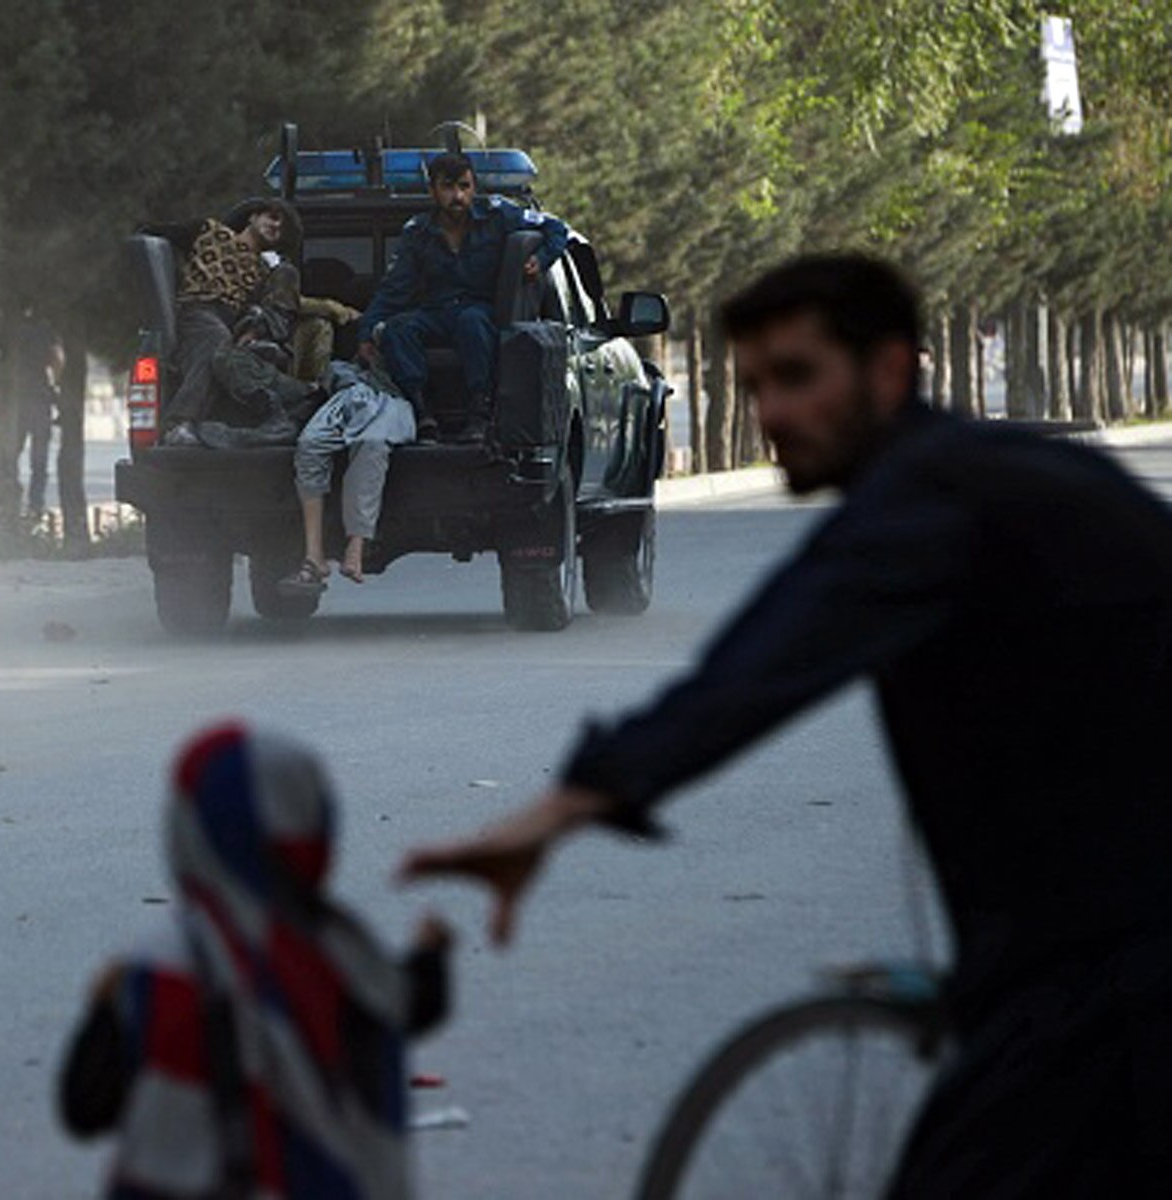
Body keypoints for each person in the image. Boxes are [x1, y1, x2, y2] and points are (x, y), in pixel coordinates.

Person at [400, 253, 1172, 1195]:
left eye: (799, 378)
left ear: (890, 371)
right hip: (1076, 934)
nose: (771, 413)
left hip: (1113, 951)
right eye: (756, 384)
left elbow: (757, 671)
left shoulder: (937, 503)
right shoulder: (976, 476)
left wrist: (565, 807)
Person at [60, 721, 452, 1200]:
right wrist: (432, 952)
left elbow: (85, 1106)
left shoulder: (167, 967)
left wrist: (103, 1010)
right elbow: (413, 1004)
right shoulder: (341, 950)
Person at [358, 151, 568, 444]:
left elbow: (556, 229)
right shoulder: (418, 232)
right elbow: (394, 289)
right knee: (398, 329)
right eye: (448, 187)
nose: (457, 195)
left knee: (473, 323)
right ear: (432, 191)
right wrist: (367, 332)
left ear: (474, 188)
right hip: (435, 311)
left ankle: (480, 413)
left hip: (478, 310)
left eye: (464, 186)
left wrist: (541, 258)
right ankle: (421, 412)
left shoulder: (498, 215)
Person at [146, 199, 304, 446]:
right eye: (273, 217)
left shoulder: (264, 270)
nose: (276, 226)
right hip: (197, 309)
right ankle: (179, 422)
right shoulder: (208, 230)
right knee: (217, 342)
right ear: (253, 216)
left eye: (283, 228)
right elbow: (160, 234)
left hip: (233, 320)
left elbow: (279, 307)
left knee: (239, 352)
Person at [278, 349, 416, 595]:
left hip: (387, 400)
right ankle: (314, 555)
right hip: (347, 397)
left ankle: (356, 545)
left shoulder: (401, 346)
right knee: (309, 445)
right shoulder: (343, 367)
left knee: (372, 445)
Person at [13, 304, 64, 519]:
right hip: (40, 397)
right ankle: (36, 504)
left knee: (11, 452)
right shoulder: (46, 330)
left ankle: (10, 496)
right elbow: (57, 360)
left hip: (16, 397)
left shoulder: (11, 329)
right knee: (39, 458)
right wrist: (56, 387)